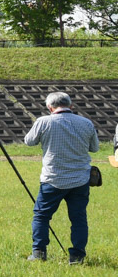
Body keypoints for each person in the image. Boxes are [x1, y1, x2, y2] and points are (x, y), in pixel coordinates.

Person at [24, 91, 99, 264]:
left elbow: (29, 141)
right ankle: (77, 256)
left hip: (53, 179)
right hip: (80, 179)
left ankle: (39, 253)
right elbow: (94, 148)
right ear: (71, 106)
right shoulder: (86, 123)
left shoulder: (44, 121)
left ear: (50, 107)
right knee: (78, 218)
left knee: (42, 216)